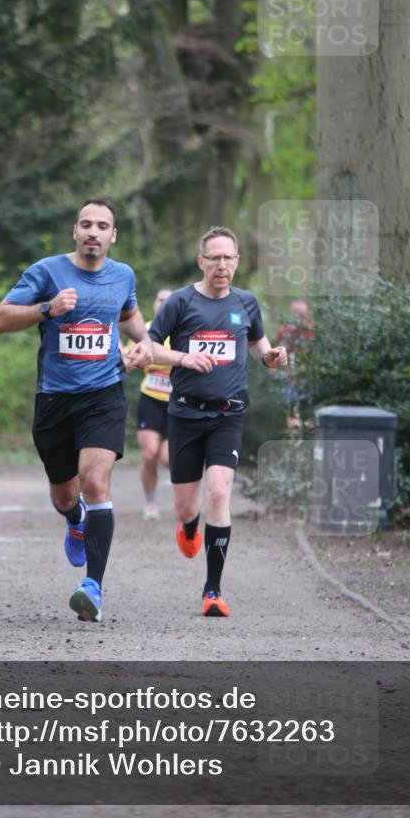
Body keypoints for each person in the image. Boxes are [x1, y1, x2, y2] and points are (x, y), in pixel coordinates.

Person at [0, 199, 153, 623]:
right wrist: (47, 308)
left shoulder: (123, 275)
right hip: (55, 400)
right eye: (86, 224)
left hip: (104, 395)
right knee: (64, 495)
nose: (93, 232)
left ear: (113, 235)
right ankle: (75, 517)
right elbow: (1, 319)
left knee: (95, 480)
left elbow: (130, 316)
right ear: (75, 231)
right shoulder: (47, 272)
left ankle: (92, 588)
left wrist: (145, 344)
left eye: (102, 226)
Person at [148, 226, 287, 618]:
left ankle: (213, 590)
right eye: (214, 258)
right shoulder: (180, 301)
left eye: (228, 258)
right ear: (201, 261)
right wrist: (183, 358)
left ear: (237, 262)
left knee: (219, 493)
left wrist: (270, 357)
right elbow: (149, 346)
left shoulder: (246, 302)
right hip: (185, 413)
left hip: (228, 413)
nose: (222, 265)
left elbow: (258, 344)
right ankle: (189, 526)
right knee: (185, 507)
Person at [124, 288, 173, 520]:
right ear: (154, 304)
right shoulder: (143, 331)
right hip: (151, 399)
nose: (164, 304)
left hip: (179, 403)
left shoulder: (185, 330)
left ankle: (185, 497)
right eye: (160, 300)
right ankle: (151, 502)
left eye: (169, 301)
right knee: (149, 454)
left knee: (168, 458)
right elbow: (128, 360)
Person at [275, 299, 315, 429]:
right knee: (292, 404)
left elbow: (314, 354)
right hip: (290, 373)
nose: (299, 317)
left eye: (301, 314)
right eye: (296, 313)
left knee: (310, 406)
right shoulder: (285, 331)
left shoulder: (312, 329)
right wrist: (289, 373)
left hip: (309, 374)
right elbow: (280, 354)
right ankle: (294, 431)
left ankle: (309, 428)